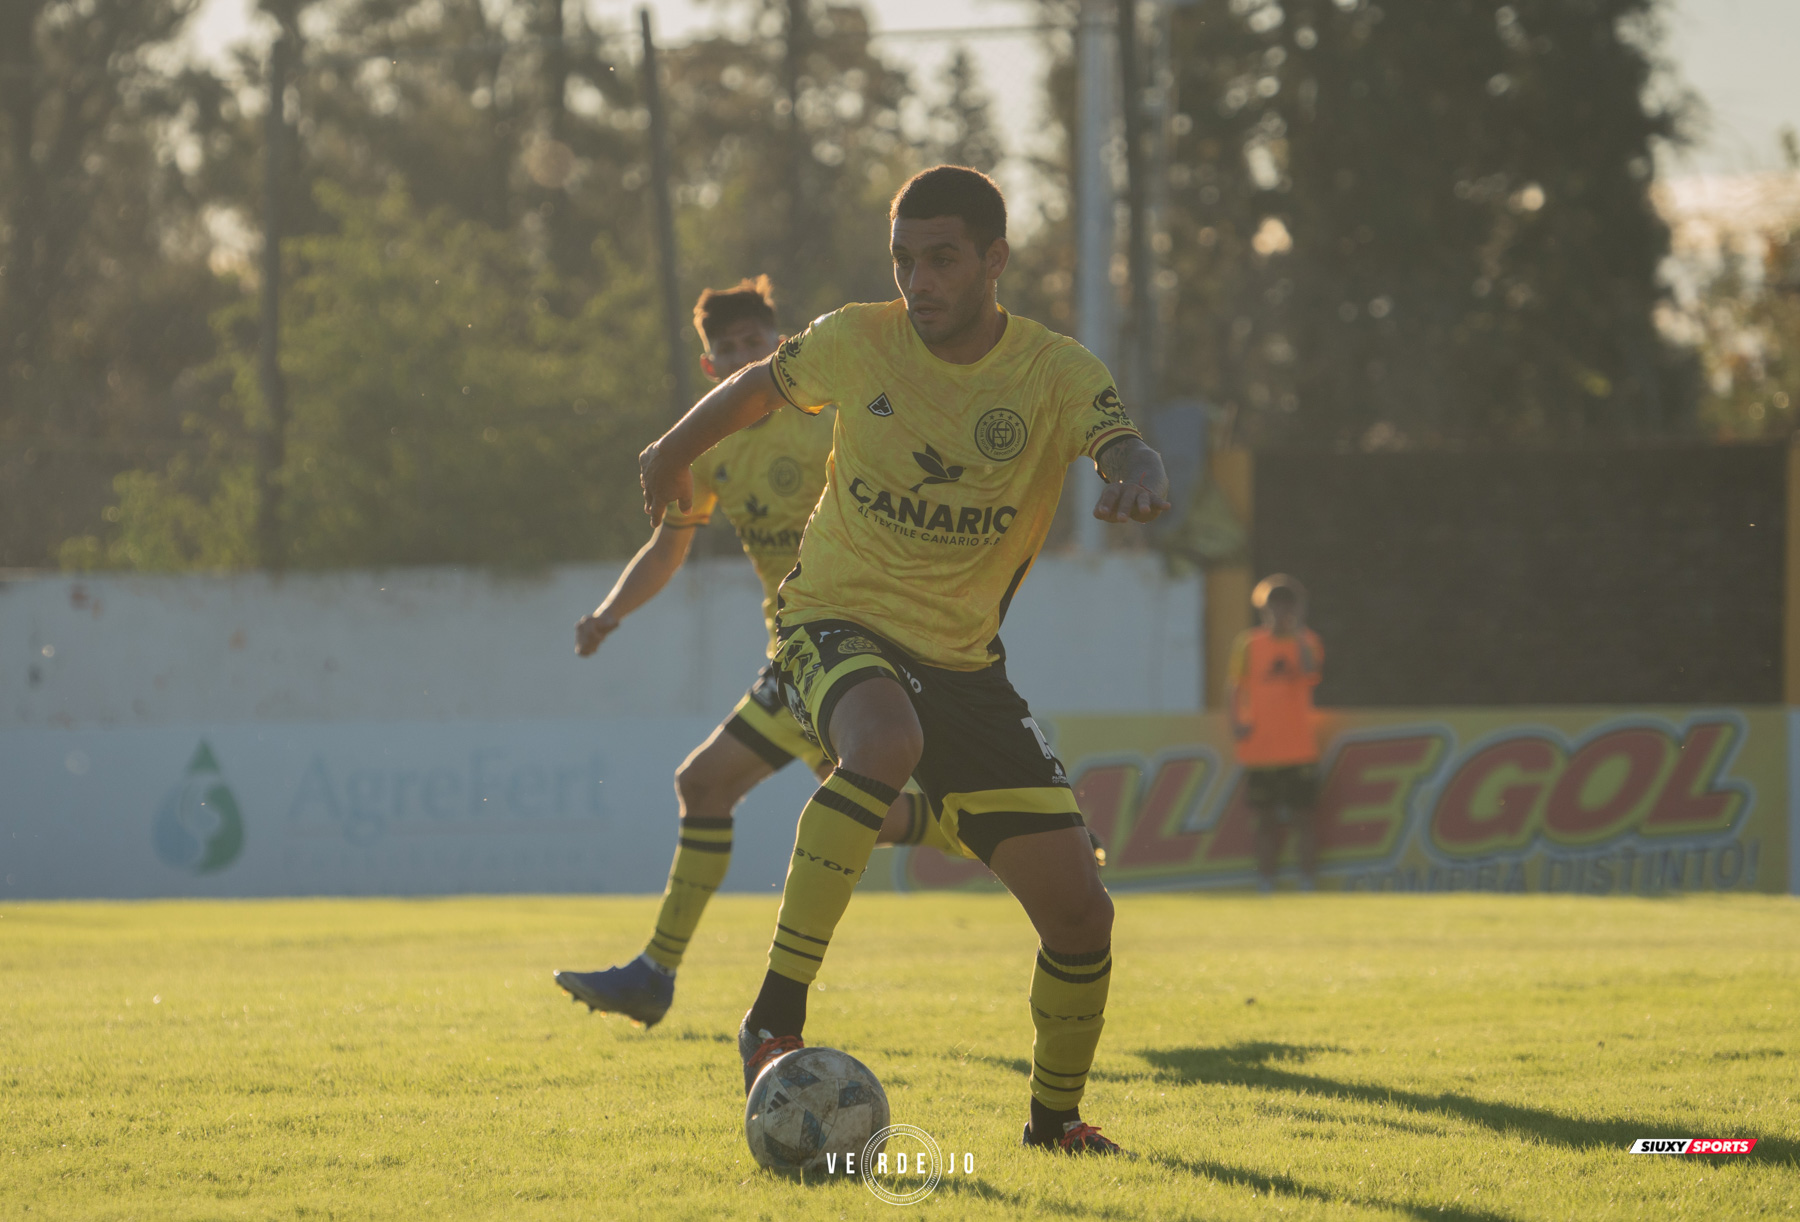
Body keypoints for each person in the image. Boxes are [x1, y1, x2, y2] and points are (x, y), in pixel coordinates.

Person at [637, 166, 1171, 1155]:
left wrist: (1141, 475)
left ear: (994, 262)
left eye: (941, 260)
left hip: (967, 663)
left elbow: (1121, 443)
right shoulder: (857, 336)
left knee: (1081, 911)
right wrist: (664, 453)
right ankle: (773, 1016)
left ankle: (1052, 1123)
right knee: (882, 736)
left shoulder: (1053, 370)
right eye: (904, 260)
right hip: (835, 615)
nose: (918, 281)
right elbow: (757, 389)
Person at [554, 277, 948, 1028]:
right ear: (710, 368)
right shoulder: (708, 448)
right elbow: (667, 548)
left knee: (733, 787)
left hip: (858, 639)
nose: (741, 356)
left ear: (782, 342)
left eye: (753, 343)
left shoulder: (831, 412)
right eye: (725, 349)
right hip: (796, 648)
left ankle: (653, 976)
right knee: (829, 803)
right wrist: (609, 614)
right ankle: (991, 827)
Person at [1227, 574, 1325, 892]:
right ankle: (1266, 882)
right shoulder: (1249, 644)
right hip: (1260, 748)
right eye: (1274, 603)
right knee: (1265, 820)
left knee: (1304, 819)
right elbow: (1234, 687)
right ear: (1264, 607)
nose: (1280, 610)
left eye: (1286, 603)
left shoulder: (1306, 641)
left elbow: (1311, 671)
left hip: (1298, 748)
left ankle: (1306, 881)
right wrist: (1236, 722)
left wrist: (1296, 632)